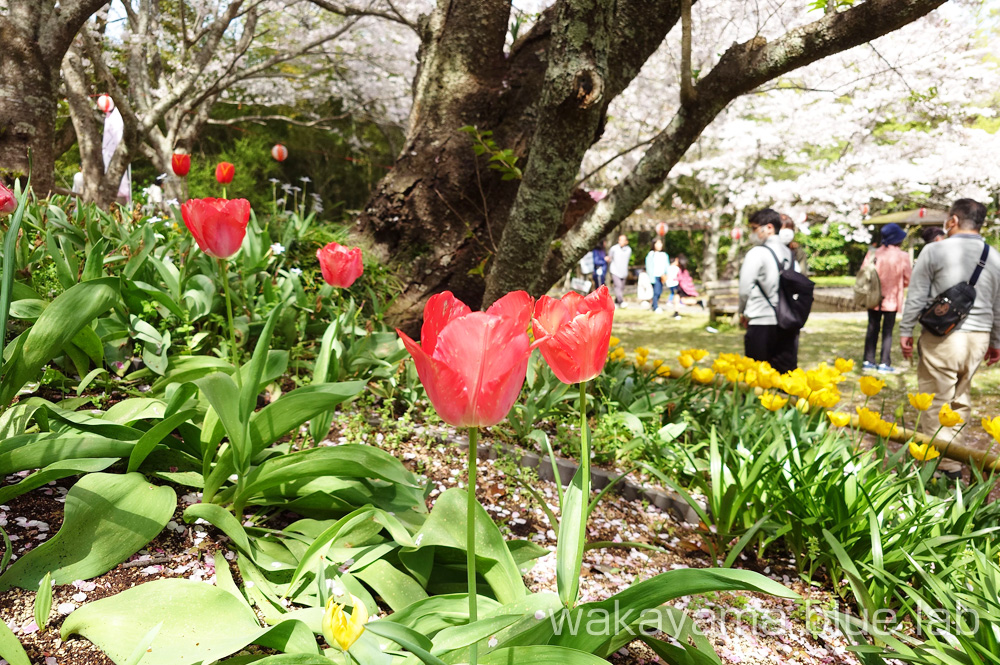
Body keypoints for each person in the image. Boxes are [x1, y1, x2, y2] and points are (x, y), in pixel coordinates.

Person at [900, 199, 1000, 467]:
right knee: (960, 401)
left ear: (953, 220)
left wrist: (905, 329)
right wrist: (996, 341)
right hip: (978, 337)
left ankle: (942, 468)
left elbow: (917, 295)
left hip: (943, 336)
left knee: (936, 401)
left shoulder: (934, 251)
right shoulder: (995, 256)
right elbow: (998, 304)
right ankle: (954, 461)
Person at [738, 208, 797, 373]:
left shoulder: (757, 253)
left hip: (760, 319)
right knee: (783, 377)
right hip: (786, 322)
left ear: (769, 227)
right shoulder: (790, 253)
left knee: (756, 377)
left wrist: (742, 312)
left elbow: (744, 288)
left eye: (755, 228)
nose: (753, 233)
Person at [860, 223, 911, 372]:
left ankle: (868, 360)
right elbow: (908, 278)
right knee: (887, 331)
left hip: (873, 298)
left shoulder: (873, 253)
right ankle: (884, 362)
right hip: (892, 299)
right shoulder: (902, 256)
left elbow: (864, 273)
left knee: (872, 329)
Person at [608, 234, 632, 307]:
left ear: (626, 241)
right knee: (618, 286)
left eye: (623, 240)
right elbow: (610, 257)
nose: (621, 241)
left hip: (624, 272)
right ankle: (621, 302)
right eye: (620, 240)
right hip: (615, 271)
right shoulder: (613, 249)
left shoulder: (628, 250)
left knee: (621, 288)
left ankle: (616, 302)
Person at [644, 238, 669, 312]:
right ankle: (655, 306)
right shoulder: (651, 254)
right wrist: (650, 277)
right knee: (656, 291)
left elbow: (666, 266)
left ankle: (653, 305)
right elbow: (649, 266)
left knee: (659, 291)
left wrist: (666, 274)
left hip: (661, 276)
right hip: (654, 276)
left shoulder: (664, 254)